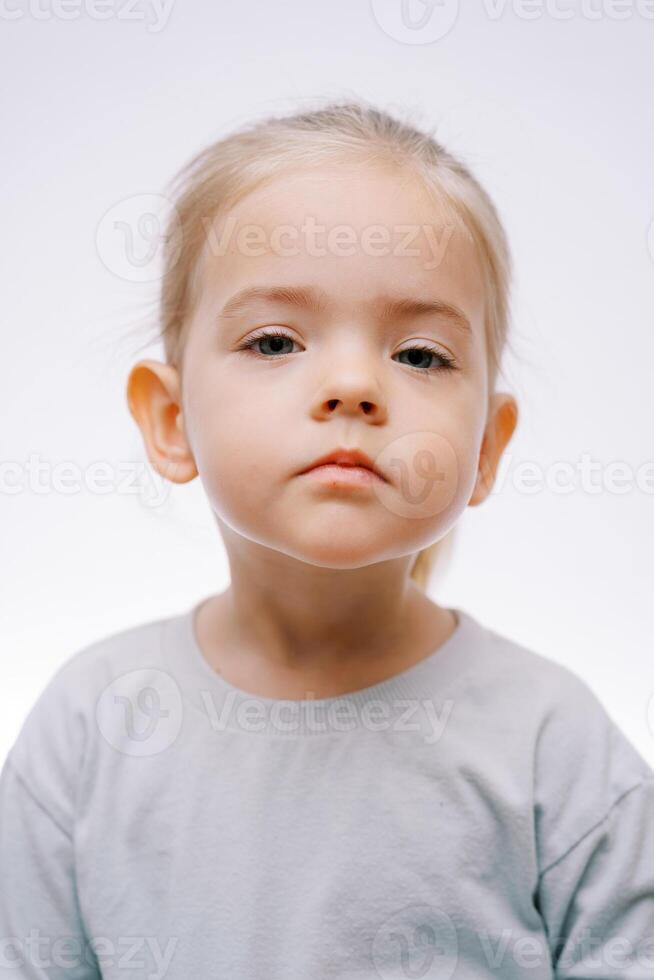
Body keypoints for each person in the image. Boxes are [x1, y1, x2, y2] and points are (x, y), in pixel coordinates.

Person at [1, 98, 652, 979]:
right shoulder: (96, 725)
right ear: (170, 419)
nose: (352, 385)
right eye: (275, 340)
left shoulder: (552, 743)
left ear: (487, 449)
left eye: (420, 355)